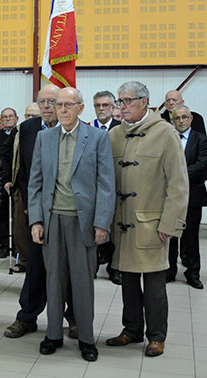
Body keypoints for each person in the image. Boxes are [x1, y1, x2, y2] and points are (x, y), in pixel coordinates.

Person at [28, 87, 115, 362]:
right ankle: (53, 334)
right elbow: (36, 182)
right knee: (53, 280)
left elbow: (106, 184)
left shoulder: (98, 138)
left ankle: (86, 338)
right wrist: (36, 220)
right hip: (52, 219)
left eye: (68, 105)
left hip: (83, 221)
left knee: (82, 282)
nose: (62, 110)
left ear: (80, 108)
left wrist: (102, 222)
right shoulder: (44, 138)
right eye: (58, 105)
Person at [105, 81, 188, 357]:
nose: (123, 106)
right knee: (127, 282)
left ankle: (156, 336)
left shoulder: (165, 133)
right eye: (120, 101)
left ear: (144, 102)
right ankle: (131, 329)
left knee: (154, 285)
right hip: (123, 224)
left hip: (152, 224)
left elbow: (178, 184)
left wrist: (170, 223)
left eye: (128, 100)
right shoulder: (115, 135)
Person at [1, 84, 62, 339]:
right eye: (42, 102)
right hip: (36, 212)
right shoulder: (27, 129)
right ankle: (27, 317)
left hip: (66, 211)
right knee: (35, 266)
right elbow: (24, 171)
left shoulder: (75, 130)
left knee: (66, 269)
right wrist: (30, 205)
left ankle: (73, 319)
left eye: (52, 102)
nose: (47, 107)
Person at [166, 105, 207, 289]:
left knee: (191, 237)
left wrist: (177, 174)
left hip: (193, 195)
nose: (181, 121)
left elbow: (201, 165)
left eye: (184, 117)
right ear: (172, 120)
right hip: (169, 196)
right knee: (169, 236)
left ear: (191, 119)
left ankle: (193, 274)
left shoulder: (202, 140)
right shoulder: (166, 139)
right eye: (177, 118)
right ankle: (169, 272)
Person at [92, 90, 123, 284]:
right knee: (92, 229)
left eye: (105, 105)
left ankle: (114, 268)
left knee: (114, 232)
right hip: (93, 189)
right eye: (98, 105)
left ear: (113, 108)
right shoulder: (87, 128)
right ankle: (92, 266)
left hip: (116, 187)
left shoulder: (122, 130)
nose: (101, 109)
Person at [0, 107, 18, 260]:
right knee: (2, 214)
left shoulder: (21, 134)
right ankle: (3, 245)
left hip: (15, 177)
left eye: (11, 116)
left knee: (16, 214)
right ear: (0, 120)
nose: (8, 119)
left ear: (16, 118)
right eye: (5, 117)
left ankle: (16, 245)